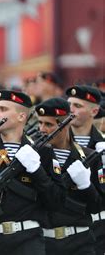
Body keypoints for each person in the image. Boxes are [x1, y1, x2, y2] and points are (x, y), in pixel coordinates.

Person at [0, 90, 64, 255]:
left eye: (3, 109)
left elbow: (56, 201)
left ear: (21, 117)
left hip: (27, 240)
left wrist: (36, 170)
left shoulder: (42, 152)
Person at [36, 97, 102, 254]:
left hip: (80, 242)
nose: (42, 129)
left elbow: (97, 206)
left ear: (65, 124)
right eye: (40, 123)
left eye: (49, 124)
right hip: (44, 243)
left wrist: (86, 186)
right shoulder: (36, 157)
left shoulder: (88, 156)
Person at [65, 85, 105, 254]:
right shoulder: (53, 143)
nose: (71, 110)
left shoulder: (102, 145)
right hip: (65, 223)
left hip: (98, 227)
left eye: (78, 106)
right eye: (69, 105)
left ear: (94, 112)